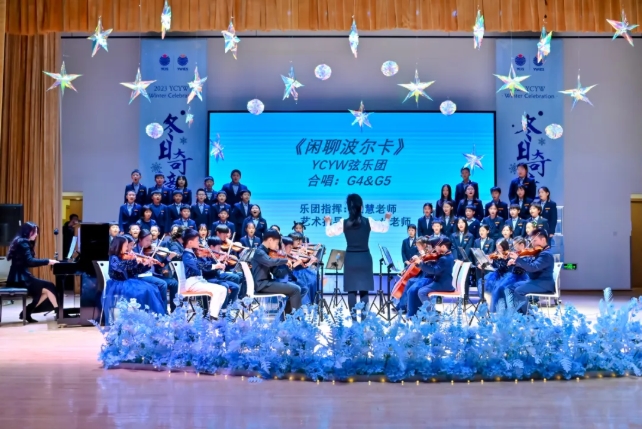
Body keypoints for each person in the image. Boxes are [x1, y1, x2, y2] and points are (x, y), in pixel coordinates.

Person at [324, 194, 391, 316]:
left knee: (351, 290)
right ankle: (363, 321)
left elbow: (329, 232)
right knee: (364, 290)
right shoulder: (368, 221)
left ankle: (354, 321)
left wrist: (328, 222)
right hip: (365, 258)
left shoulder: (343, 222)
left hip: (350, 259)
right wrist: (387, 219)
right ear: (361, 207)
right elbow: (384, 228)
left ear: (348, 208)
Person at [103, 236, 166, 323]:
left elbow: (134, 272)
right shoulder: (114, 258)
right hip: (118, 284)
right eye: (126, 246)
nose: (127, 248)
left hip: (127, 282)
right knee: (143, 291)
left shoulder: (125, 257)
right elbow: (121, 268)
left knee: (152, 289)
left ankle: (147, 317)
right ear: (119, 246)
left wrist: (146, 265)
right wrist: (133, 260)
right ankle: (139, 318)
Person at [6, 222, 59, 323]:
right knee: (49, 286)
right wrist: (48, 261)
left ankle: (27, 312)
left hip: (18, 277)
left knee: (46, 290)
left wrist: (47, 262)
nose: (36, 234)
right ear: (27, 232)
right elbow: (30, 261)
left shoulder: (20, 241)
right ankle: (58, 312)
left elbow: (27, 262)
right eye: (34, 232)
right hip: (20, 279)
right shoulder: (23, 242)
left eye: (37, 232)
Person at [250, 229, 302, 315]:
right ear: (270, 240)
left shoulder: (267, 252)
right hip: (262, 284)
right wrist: (285, 260)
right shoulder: (259, 252)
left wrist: (289, 267)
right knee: (296, 289)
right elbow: (270, 262)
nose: (277, 246)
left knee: (295, 288)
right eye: (276, 243)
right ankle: (294, 318)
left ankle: (287, 317)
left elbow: (276, 272)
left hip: (267, 283)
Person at [181, 229, 228, 320]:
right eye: (197, 240)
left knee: (223, 289)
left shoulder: (193, 253)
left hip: (199, 281)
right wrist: (215, 265)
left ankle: (214, 314)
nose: (199, 242)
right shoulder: (186, 255)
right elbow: (199, 265)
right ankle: (213, 317)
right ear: (190, 242)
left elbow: (201, 263)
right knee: (218, 290)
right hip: (192, 283)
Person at [507, 228, 555, 313]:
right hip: (535, 281)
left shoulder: (546, 254)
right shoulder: (539, 252)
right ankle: (519, 313)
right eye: (532, 240)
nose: (532, 243)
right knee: (511, 287)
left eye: (535, 240)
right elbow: (529, 263)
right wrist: (516, 262)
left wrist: (518, 259)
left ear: (543, 240)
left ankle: (530, 315)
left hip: (543, 283)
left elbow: (533, 267)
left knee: (519, 291)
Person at [406, 237, 455, 317]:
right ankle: (427, 312)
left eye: (436, 247)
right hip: (442, 281)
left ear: (443, 247)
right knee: (417, 289)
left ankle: (433, 314)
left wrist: (421, 263)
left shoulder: (444, 258)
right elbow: (435, 267)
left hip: (442, 283)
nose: (434, 249)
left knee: (421, 292)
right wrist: (420, 262)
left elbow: (434, 270)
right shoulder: (447, 255)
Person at [134, 229, 176, 312]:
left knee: (174, 283)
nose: (149, 243)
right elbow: (137, 270)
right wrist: (146, 265)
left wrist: (169, 257)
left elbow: (160, 265)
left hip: (153, 275)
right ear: (140, 239)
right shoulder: (134, 251)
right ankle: (163, 312)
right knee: (163, 284)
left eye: (151, 240)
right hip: (141, 276)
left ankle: (174, 310)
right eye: (147, 240)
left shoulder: (151, 250)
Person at [492, 236, 529, 312]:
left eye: (515, 245)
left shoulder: (527, 254)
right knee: (500, 287)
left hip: (521, 277)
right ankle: (502, 309)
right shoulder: (517, 254)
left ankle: (511, 310)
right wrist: (512, 262)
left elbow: (525, 267)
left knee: (505, 288)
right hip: (513, 276)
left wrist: (516, 261)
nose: (514, 248)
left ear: (522, 245)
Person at [476, 239, 511, 307]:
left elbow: (504, 268)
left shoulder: (508, 255)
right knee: (481, 283)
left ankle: (495, 304)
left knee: (494, 286)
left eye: (500, 247)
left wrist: (494, 261)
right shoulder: (495, 254)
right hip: (496, 274)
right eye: (497, 247)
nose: (498, 249)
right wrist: (480, 264)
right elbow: (484, 261)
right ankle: (485, 302)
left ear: (504, 246)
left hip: (504, 275)